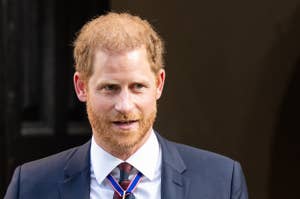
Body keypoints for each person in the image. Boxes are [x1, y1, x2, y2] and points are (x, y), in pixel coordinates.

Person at [4, 12, 248, 199]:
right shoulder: (31, 186)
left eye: (138, 87)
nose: (124, 105)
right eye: (110, 88)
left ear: (159, 84)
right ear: (81, 87)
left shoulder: (221, 182)